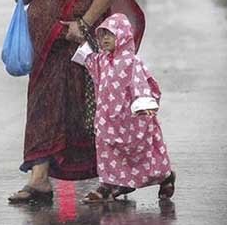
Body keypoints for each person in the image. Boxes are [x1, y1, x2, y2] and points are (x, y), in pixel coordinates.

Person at [8, 0, 145, 203]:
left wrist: (84, 23)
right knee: (41, 110)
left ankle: (115, 175)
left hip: (72, 50)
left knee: (82, 117)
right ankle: (39, 179)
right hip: (43, 50)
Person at [72, 13, 176, 202]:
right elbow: (88, 59)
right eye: (102, 35)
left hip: (131, 121)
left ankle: (165, 176)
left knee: (141, 153)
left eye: (109, 35)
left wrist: (143, 111)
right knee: (107, 150)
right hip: (107, 120)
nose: (104, 40)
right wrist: (79, 41)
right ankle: (107, 184)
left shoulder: (131, 62)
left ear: (122, 35)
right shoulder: (103, 61)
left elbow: (142, 86)